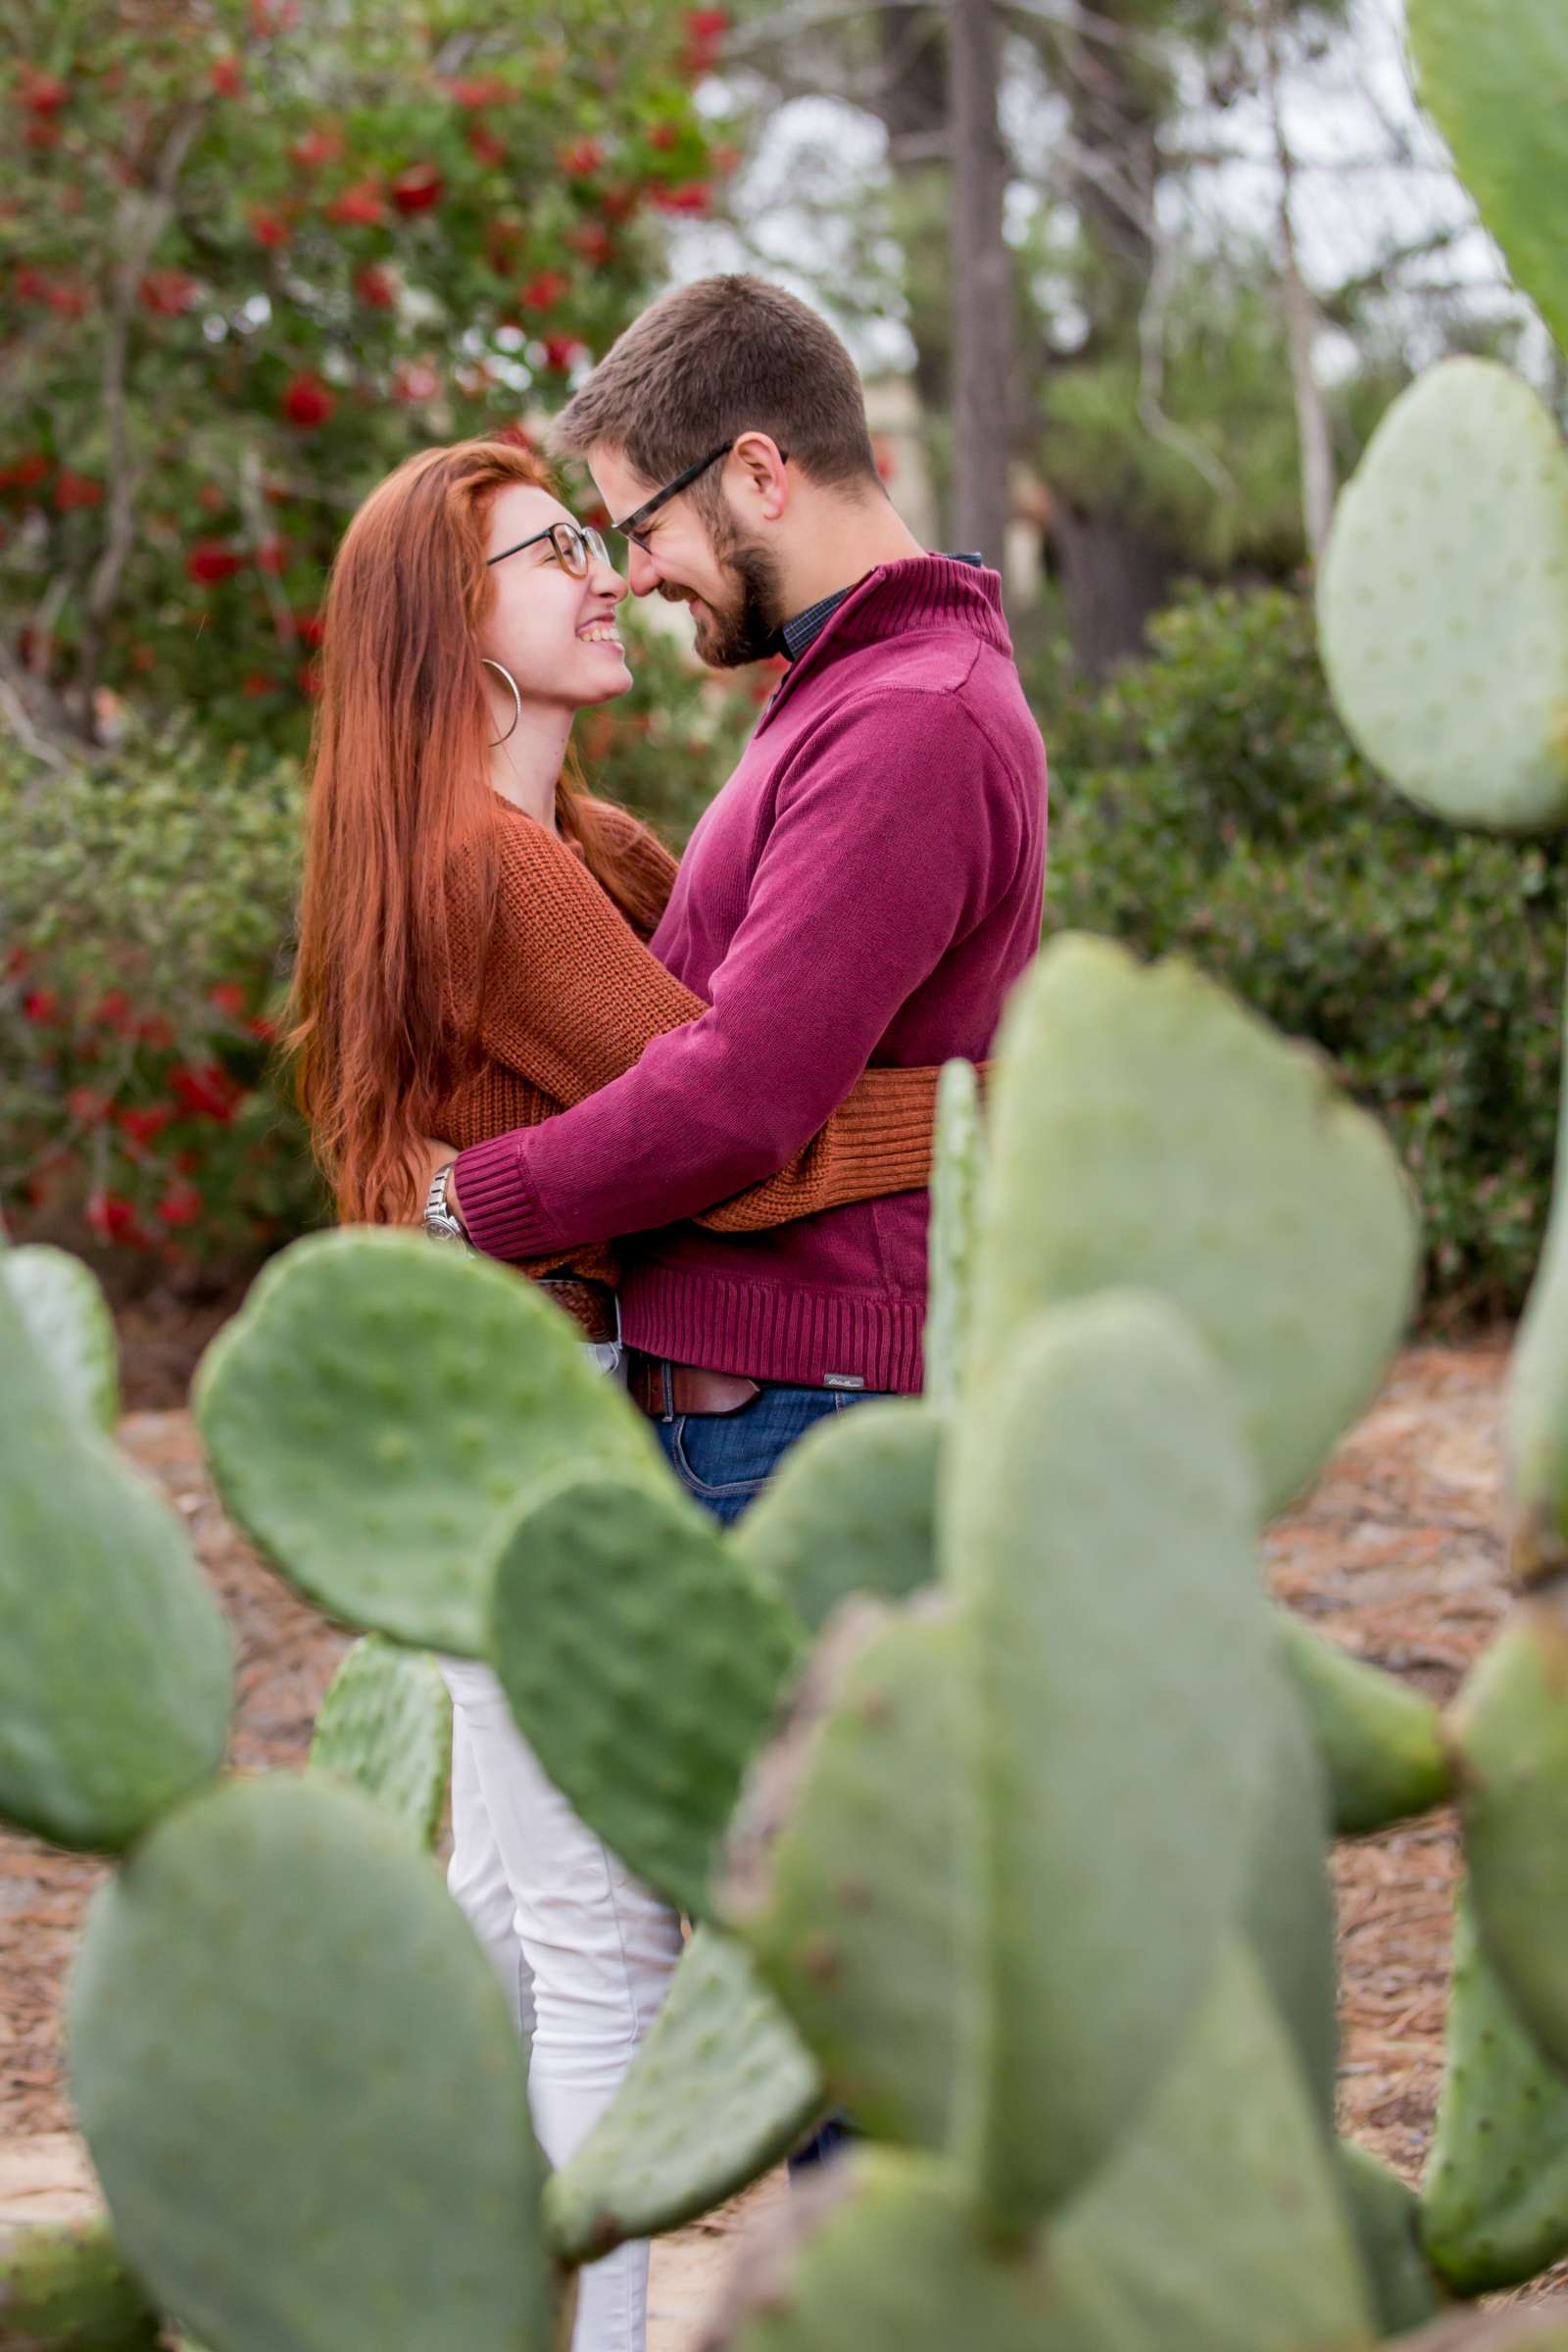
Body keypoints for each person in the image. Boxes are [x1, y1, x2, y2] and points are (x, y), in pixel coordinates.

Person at [284, 431, 952, 2352]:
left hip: (469, 1401)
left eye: (598, 537)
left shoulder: (570, 846)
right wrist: (994, 1110)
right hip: (509, 1409)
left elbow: (744, 1040)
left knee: (504, 1901)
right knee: (593, 1937)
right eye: (545, 553)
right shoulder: (492, 868)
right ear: (456, 633)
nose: (601, 573)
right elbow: (742, 1127)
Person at [423, 275, 1048, 1525]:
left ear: (759, 473)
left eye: (643, 526)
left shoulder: (905, 719)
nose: (637, 577)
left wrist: (463, 1203)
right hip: (771, 1411)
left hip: (799, 1419)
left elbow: (742, 1092)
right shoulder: (843, 693)